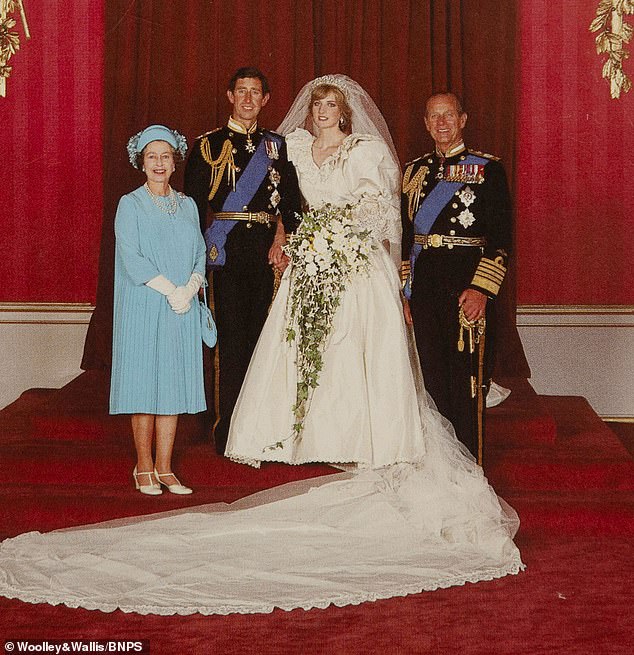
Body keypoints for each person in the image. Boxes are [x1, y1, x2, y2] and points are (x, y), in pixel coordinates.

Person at [0, 78, 523, 616]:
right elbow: (287, 202)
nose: (322, 112)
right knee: (296, 354)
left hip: (364, 267)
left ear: (346, 113)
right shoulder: (289, 148)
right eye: (317, 105)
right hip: (309, 260)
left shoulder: (383, 155)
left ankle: (386, 442)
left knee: (379, 360)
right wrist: (294, 240)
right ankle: (285, 437)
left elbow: (389, 218)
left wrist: (347, 243)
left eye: (331, 106)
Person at [184, 67, 301, 455]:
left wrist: (283, 236)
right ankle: (228, 430)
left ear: (266, 99)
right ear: (230, 96)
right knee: (230, 343)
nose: (248, 99)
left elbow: (290, 203)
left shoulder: (277, 147)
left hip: (267, 252)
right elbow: (191, 211)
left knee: (264, 342)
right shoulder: (208, 146)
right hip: (226, 251)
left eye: (256, 92)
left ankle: (261, 430)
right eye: (241, 91)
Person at [401, 92, 512, 462]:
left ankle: (470, 471)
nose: (442, 123)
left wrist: (481, 289)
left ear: (463, 119)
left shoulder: (487, 169)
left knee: (465, 385)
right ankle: (441, 470)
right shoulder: (414, 171)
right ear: (426, 123)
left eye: (448, 115)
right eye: (434, 117)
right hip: (425, 290)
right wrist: (406, 291)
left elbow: (500, 239)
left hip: (466, 289)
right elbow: (406, 238)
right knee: (432, 382)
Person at [110, 124, 207, 495]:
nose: (159, 163)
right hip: (145, 303)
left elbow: (199, 250)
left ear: (174, 160)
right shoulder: (130, 204)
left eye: (165, 156)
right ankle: (144, 466)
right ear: (141, 161)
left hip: (180, 306)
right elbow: (131, 257)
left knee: (172, 383)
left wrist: (191, 287)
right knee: (143, 383)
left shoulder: (187, 205)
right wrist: (170, 289)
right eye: (152, 156)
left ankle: (166, 467)